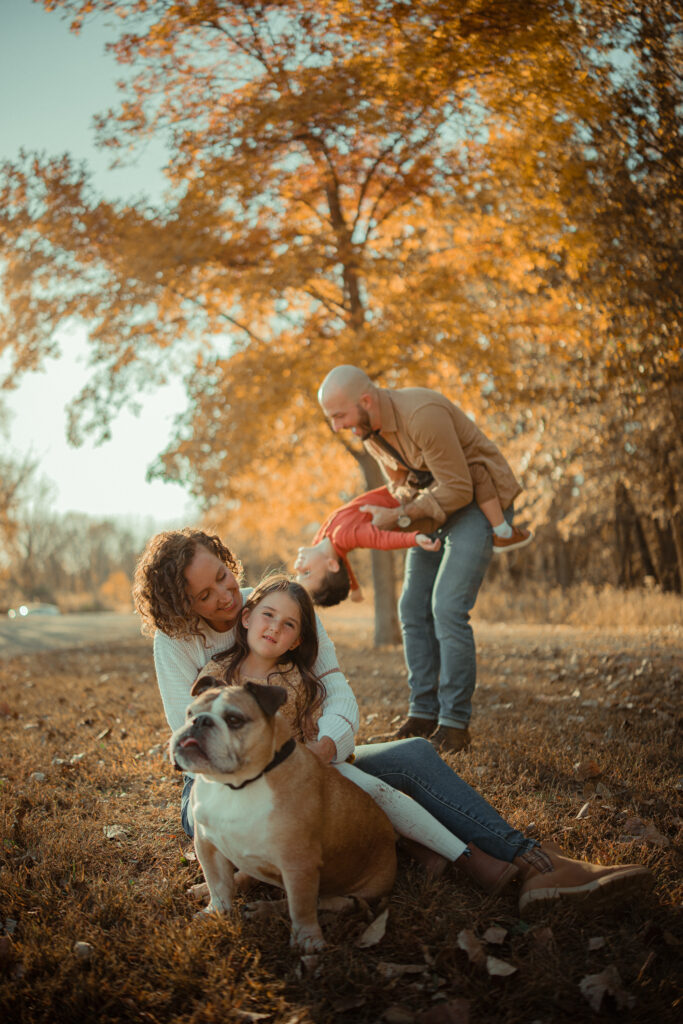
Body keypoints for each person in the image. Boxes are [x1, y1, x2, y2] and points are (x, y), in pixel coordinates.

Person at [133, 528, 652, 915]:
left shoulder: (274, 605)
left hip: (313, 761)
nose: (225, 597)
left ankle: (538, 865)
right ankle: (450, 862)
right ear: (182, 604)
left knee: (413, 756)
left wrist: (328, 748)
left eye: (224, 577)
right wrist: (289, 775)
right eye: (205, 595)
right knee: (316, 814)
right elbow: (196, 744)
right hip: (224, 787)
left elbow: (337, 691)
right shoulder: (176, 643)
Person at [317, 364, 528, 754]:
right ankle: (423, 713)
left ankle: (454, 724)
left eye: (339, 416)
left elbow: (461, 487)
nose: (336, 427)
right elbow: (402, 486)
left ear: (366, 401)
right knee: (412, 608)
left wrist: (401, 516)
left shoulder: (421, 415)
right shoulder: (371, 435)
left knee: (446, 607)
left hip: (479, 502)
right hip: (434, 508)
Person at [294, 477, 532, 607]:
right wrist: (413, 539)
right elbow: (381, 540)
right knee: (469, 484)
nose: (296, 567)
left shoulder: (324, 539)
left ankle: (495, 526)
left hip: (400, 484)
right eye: (305, 573)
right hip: (409, 493)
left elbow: (343, 566)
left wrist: (355, 589)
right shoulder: (344, 537)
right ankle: (497, 528)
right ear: (330, 565)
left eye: (300, 573)